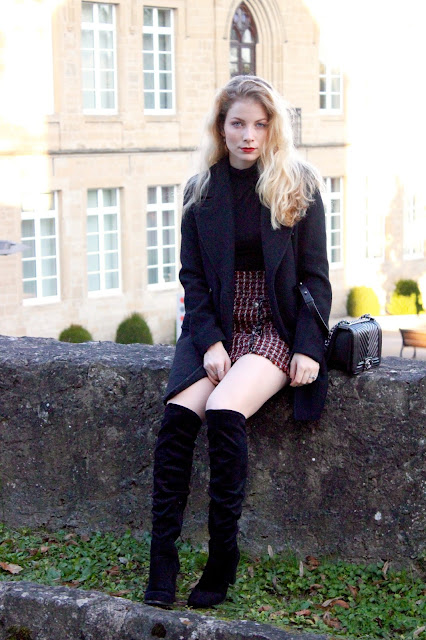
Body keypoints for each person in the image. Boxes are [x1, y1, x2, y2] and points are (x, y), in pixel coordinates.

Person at [144, 75, 332, 610]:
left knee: (224, 410)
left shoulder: (298, 184)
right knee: (178, 420)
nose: (249, 135)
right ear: (220, 128)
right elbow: (192, 278)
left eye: (261, 124)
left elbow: (316, 277)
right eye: (238, 123)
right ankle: (162, 561)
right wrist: (208, 341)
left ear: (274, 128)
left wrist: (307, 347)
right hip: (218, 326)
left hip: (274, 324)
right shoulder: (200, 190)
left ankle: (221, 560)